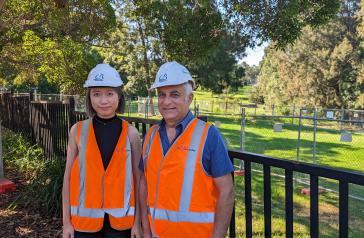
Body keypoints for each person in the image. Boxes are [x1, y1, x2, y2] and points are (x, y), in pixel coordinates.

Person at [139, 61, 235, 238]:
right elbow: (144, 182)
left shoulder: (209, 135)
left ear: (189, 98)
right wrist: (145, 229)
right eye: (162, 95)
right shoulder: (150, 136)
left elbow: (227, 191)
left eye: (174, 94)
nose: (167, 102)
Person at [62, 64, 142, 238]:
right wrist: (66, 223)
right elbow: (67, 177)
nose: (103, 100)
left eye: (110, 94)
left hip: (122, 225)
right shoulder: (77, 130)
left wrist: (137, 223)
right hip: (83, 224)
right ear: (89, 97)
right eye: (96, 94)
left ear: (119, 97)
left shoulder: (131, 133)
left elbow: (138, 180)